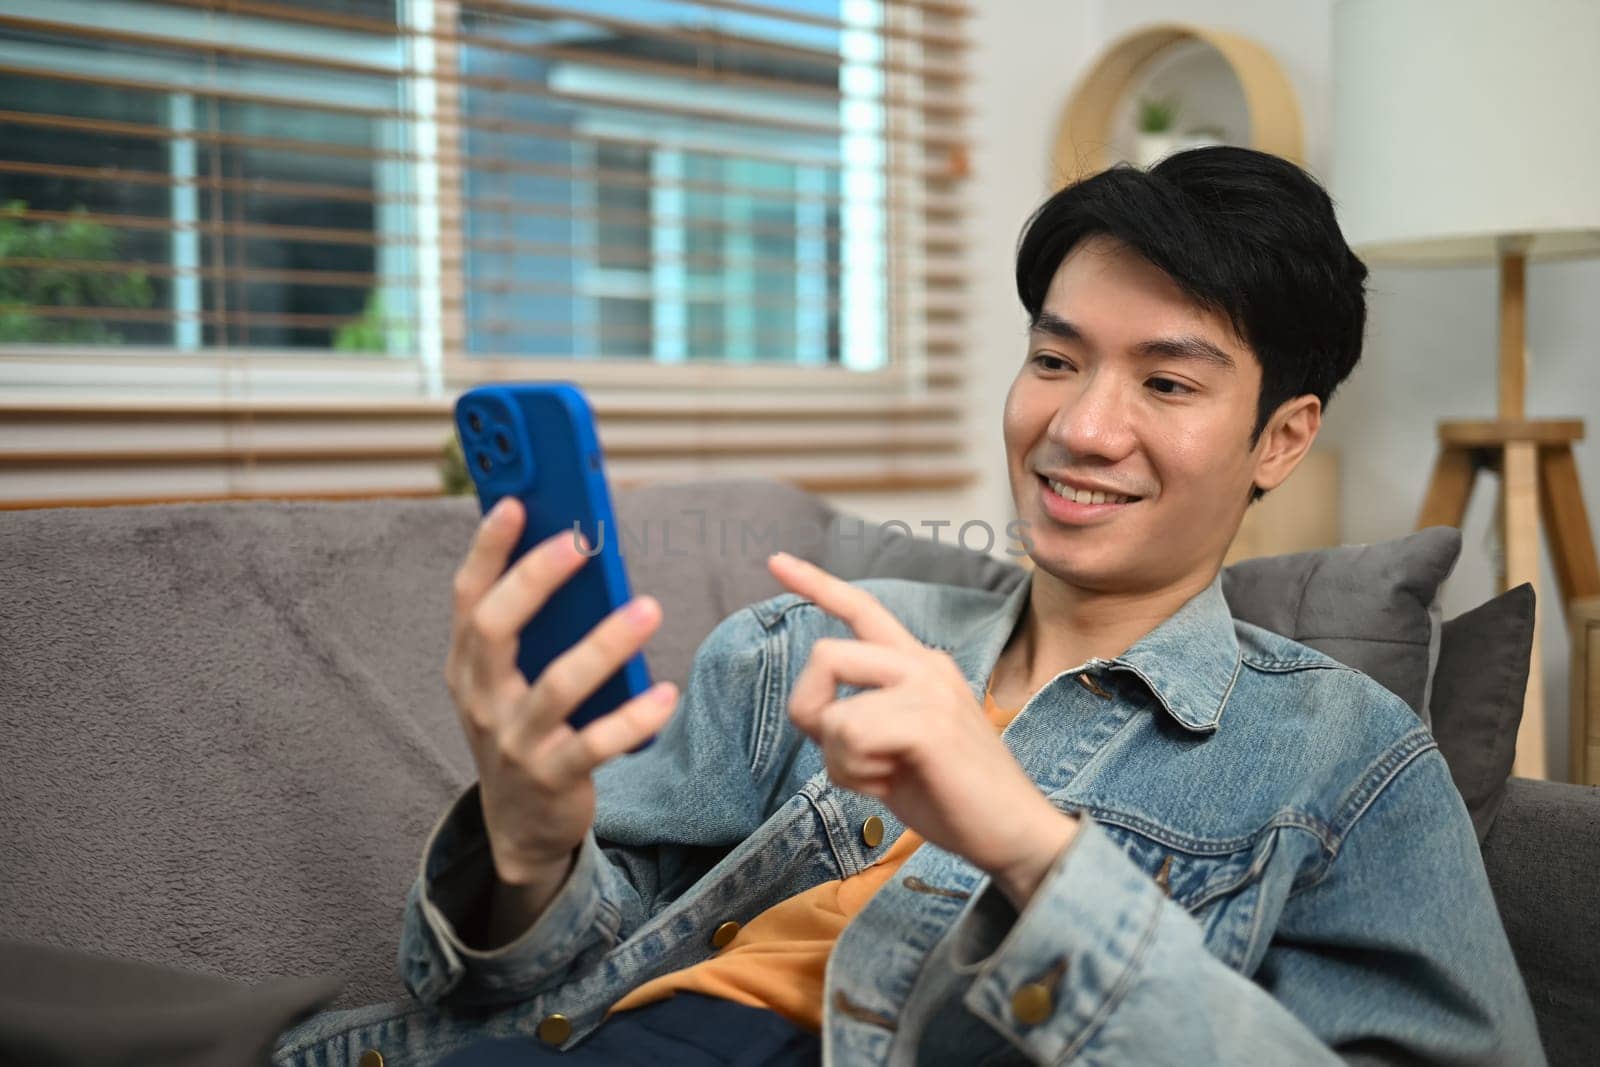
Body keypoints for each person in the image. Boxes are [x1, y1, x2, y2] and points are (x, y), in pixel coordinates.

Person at [272, 147, 1542, 1067]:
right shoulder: (809, 638)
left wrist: (1031, 848)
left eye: (1166, 381)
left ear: (1281, 437)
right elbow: (543, 981)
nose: (1080, 426)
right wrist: (532, 840)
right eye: (1053, 359)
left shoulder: (1347, 759)